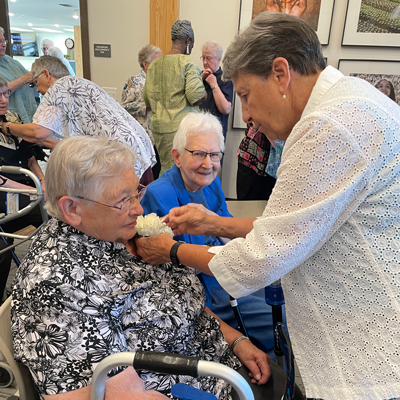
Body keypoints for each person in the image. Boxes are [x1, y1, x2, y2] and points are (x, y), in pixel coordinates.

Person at [135, 11, 400, 400]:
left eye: (244, 95)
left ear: (280, 74)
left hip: (365, 349)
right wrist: (215, 224)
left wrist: (172, 250)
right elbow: (294, 225)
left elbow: (262, 256)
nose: (247, 116)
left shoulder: (330, 126)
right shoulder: (353, 101)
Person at [11, 135, 297, 400]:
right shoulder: (55, 282)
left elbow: (179, 302)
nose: (138, 208)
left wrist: (235, 340)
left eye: (136, 192)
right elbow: (102, 390)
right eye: (123, 200)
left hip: (217, 363)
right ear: (72, 209)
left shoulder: (118, 233)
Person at [141, 111, 276, 356]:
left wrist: (212, 222)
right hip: (203, 291)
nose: (208, 163)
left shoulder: (210, 182)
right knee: (278, 321)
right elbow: (168, 272)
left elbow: (226, 226)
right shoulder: (158, 195)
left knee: (282, 295)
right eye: (198, 154)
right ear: (177, 157)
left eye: (214, 155)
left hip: (227, 270)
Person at [0, 55, 156, 182]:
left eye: (36, 83)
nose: (38, 90)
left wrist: (9, 127)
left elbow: (39, 132)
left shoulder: (58, 87)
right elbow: (70, 141)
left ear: (46, 74)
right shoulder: (80, 83)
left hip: (121, 163)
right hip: (139, 154)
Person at [0, 76, 45, 301]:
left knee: (59, 217)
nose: (3, 99)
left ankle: (40, 280)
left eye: (6, 93)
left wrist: (44, 182)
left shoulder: (12, 119)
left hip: (26, 191)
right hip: (5, 195)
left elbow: (30, 158)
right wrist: (34, 190)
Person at [143, 19, 206, 176]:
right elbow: (196, 96)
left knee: (166, 169)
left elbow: (148, 101)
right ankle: (182, 201)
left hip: (159, 129)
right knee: (183, 172)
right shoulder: (187, 62)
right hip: (182, 130)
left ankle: (164, 199)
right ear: (187, 40)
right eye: (192, 44)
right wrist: (205, 90)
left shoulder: (154, 66)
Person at [121, 44, 162, 179]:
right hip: (143, 137)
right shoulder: (133, 81)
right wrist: (146, 106)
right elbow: (124, 108)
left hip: (160, 136)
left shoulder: (162, 82)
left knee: (158, 173)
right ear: (145, 64)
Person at [0, 27, 37, 123]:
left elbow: (30, 77)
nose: (4, 45)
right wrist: (23, 80)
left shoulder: (9, 60)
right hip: (10, 121)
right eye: (0, 42)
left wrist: (33, 80)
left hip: (28, 114)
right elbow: (3, 89)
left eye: (4, 41)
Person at [199, 41, 233, 140]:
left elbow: (226, 109)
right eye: (203, 58)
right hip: (198, 129)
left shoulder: (225, 78)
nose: (205, 62)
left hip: (216, 132)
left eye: (208, 58)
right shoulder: (198, 76)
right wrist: (200, 80)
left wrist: (214, 85)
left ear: (219, 59)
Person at [236, 123, 276, 200]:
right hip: (253, 156)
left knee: (268, 203)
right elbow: (257, 121)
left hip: (274, 160)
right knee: (245, 204)